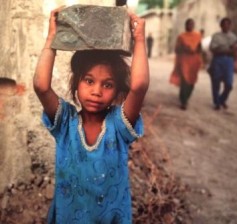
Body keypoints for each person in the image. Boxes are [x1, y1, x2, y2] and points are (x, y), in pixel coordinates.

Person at [33, 6, 149, 223]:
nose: (97, 91)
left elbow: (140, 86)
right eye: (89, 81)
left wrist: (140, 40)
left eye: (108, 84)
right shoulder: (65, 122)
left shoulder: (119, 126)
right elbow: (41, 86)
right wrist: (52, 38)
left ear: (117, 91)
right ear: (76, 83)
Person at [169, 18, 202, 110]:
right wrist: (185, 48)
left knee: (191, 81)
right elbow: (177, 49)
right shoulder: (182, 37)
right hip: (184, 61)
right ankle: (183, 101)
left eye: (192, 24)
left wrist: (195, 50)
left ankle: (186, 97)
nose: (190, 26)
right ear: (185, 25)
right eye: (189, 24)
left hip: (194, 62)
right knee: (184, 81)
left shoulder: (197, 36)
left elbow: (200, 49)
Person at [208, 17, 237, 110]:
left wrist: (236, 61)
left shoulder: (233, 37)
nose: (226, 26)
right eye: (224, 24)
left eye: (228, 24)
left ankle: (222, 99)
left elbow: (235, 50)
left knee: (229, 84)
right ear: (221, 25)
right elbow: (213, 49)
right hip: (218, 60)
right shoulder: (216, 36)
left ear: (230, 26)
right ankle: (216, 102)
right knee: (216, 82)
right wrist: (225, 49)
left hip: (229, 61)